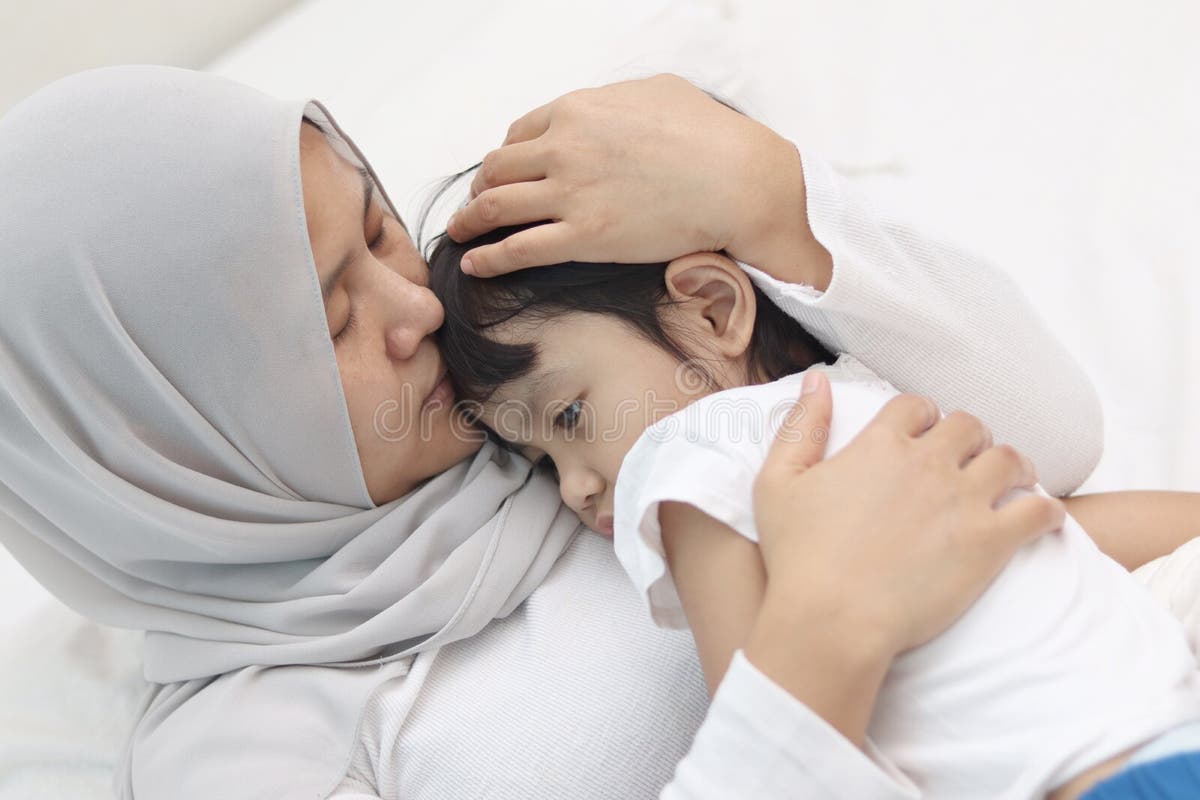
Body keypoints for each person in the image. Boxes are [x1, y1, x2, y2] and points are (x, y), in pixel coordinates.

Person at [0, 66, 1109, 799]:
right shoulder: (250, 743)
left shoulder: (549, 389)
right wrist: (820, 646)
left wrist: (773, 201)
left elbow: (1046, 451)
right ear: (167, 441)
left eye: (381, 230)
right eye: (334, 316)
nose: (417, 310)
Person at [427, 215, 1200, 797]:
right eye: (537, 462)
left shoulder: (684, 460)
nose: (573, 487)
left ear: (709, 309)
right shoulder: (869, 394)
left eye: (566, 418)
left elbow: (781, 729)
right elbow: (1061, 528)